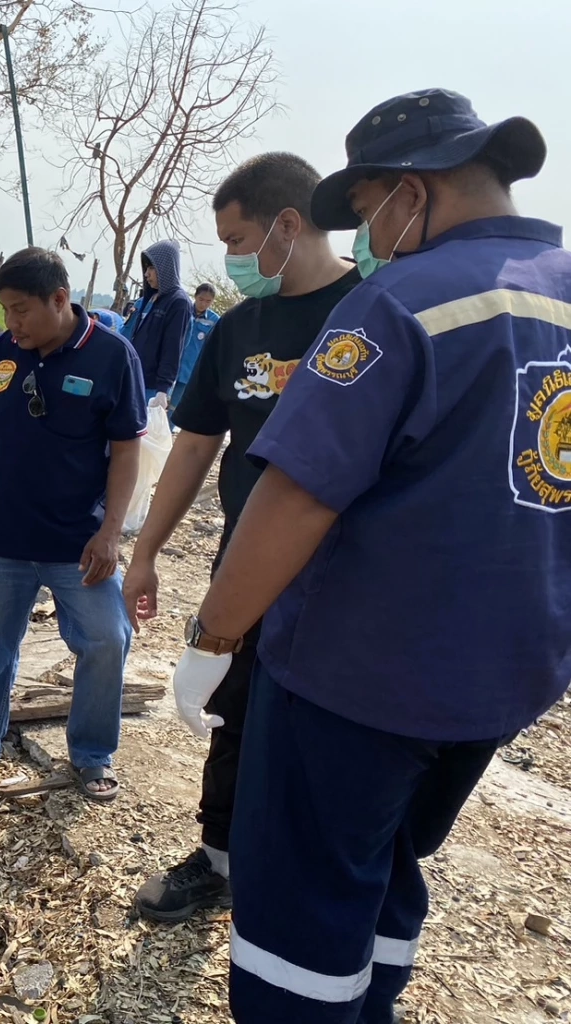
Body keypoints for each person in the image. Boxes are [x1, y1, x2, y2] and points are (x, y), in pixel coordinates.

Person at [172, 89, 569, 1023]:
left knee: (304, 903)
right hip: (504, 677)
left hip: (362, 679)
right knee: (386, 859)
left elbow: (298, 492)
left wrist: (214, 634)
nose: (367, 238)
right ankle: (374, 1001)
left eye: (368, 214)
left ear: (408, 192)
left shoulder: (398, 306)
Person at [124, 153, 360, 923]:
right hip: (246, 568)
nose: (230, 258)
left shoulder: (371, 312)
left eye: (236, 239)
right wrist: (147, 550)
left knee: (328, 729)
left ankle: (307, 871)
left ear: (287, 225)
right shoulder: (237, 329)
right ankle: (219, 859)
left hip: (347, 577)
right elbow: (194, 447)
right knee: (230, 712)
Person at [0, 247, 147, 801]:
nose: (12, 323)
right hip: (2, 536)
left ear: (59, 299)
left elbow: (126, 452)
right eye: (5, 310)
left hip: (79, 541)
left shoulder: (113, 357)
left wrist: (111, 532)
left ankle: (93, 755)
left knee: (107, 637)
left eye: (22, 309)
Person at [126, 240, 193, 409]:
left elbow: (173, 347)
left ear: (165, 267)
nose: (147, 274)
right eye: (146, 269)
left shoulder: (178, 303)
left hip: (151, 387)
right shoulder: (150, 300)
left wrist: (163, 389)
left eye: (151, 268)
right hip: (133, 377)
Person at [171, 283, 220, 409]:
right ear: (195, 296)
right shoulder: (183, 311)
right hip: (171, 365)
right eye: (201, 299)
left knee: (175, 406)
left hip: (190, 370)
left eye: (208, 301)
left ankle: (169, 428)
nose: (203, 304)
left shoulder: (214, 321)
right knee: (159, 401)